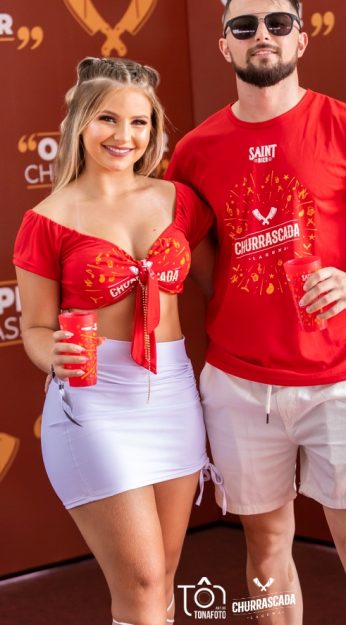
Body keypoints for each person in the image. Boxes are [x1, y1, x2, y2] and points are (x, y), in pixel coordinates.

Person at [166, 0, 346, 625]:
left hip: (339, 377)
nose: (262, 35)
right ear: (225, 44)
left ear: (300, 38)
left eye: (277, 23)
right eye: (245, 25)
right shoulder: (195, 151)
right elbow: (200, 260)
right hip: (238, 381)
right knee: (264, 549)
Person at [13, 57, 222, 625]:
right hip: (94, 403)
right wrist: (52, 354)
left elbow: (219, 283)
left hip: (172, 394)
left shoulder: (178, 200)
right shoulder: (47, 219)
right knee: (142, 579)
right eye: (107, 118)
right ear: (79, 122)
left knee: (164, 575)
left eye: (139, 122)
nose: (124, 136)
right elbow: (35, 328)